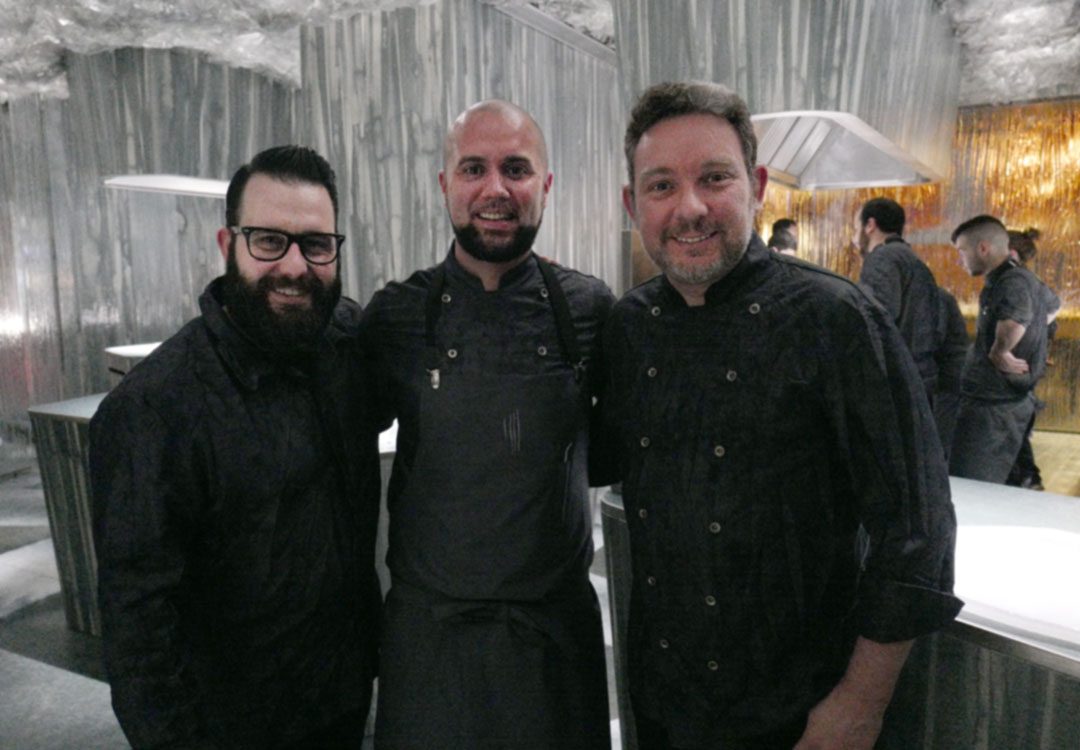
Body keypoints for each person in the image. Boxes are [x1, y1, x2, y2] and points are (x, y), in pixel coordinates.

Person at [604, 81, 961, 750]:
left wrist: (860, 703)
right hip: (665, 703)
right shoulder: (629, 325)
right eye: (661, 186)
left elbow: (919, 529)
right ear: (633, 205)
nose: (689, 208)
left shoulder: (836, 318)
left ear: (758, 186)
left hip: (803, 714)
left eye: (714, 178)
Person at [89, 146, 382, 749]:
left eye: (316, 244)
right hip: (231, 729)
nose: (295, 266)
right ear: (228, 244)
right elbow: (138, 629)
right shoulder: (156, 408)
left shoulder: (346, 345)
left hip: (343, 701)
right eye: (269, 241)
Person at [361, 100, 614, 749]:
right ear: (445, 184)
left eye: (516, 169)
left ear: (545, 186)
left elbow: (617, 452)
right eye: (473, 169)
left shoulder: (589, 310)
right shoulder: (395, 315)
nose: (495, 189)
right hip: (429, 639)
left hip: (553, 640)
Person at [950, 215, 1056, 484]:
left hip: (994, 408)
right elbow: (1052, 307)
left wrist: (1000, 351)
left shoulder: (1012, 281)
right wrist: (1034, 342)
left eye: (962, 252)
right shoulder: (1016, 279)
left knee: (973, 486)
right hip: (997, 405)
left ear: (983, 248)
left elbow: (1017, 317)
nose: (958, 261)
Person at [855, 197, 941, 400]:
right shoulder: (913, 260)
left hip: (894, 382)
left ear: (870, 225)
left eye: (854, 229)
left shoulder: (882, 258)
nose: (853, 238)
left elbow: (874, 319)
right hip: (919, 377)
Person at [933, 286, 970, 461]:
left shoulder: (933, 298)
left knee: (940, 439)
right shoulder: (935, 296)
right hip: (946, 377)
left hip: (948, 379)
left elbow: (933, 339)